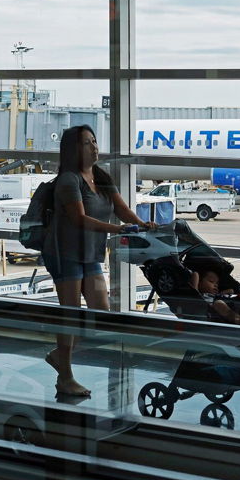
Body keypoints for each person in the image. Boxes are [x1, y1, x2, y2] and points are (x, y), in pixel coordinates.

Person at [42, 125, 153, 397]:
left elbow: (121, 209)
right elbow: (79, 219)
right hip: (65, 252)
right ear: (73, 149)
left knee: (100, 310)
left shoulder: (101, 177)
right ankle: (65, 377)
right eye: (86, 143)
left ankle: (60, 354)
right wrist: (118, 230)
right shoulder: (69, 180)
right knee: (69, 313)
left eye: (94, 141)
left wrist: (141, 224)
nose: (94, 147)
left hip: (90, 254)